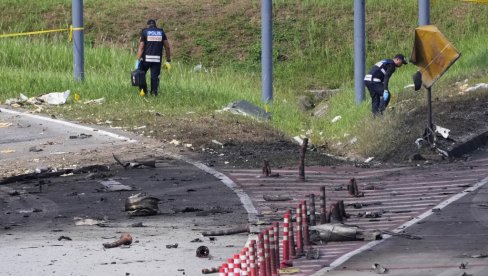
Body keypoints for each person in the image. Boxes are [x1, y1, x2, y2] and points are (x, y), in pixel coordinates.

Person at [136, 19, 171, 96]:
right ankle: (154, 93)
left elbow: (141, 47)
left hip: (146, 59)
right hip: (157, 59)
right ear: (155, 25)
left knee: (141, 74)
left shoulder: (145, 32)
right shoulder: (161, 32)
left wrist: (138, 60)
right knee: (155, 77)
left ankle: (143, 92)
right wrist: (168, 60)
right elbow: (167, 47)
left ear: (148, 25)